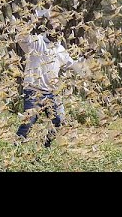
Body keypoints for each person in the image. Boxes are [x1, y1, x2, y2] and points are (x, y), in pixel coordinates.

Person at [12, 8, 85, 147]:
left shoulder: (60, 50)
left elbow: (72, 65)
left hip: (51, 93)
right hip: (34, 92)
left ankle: (46, 147)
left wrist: (85, 57)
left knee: (58, 122)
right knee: (28, 122)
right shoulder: (37, 43)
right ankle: (16, 149)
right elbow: (22, 35)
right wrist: (36, 15)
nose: (56, 32)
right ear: (46, 29)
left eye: (58, 30)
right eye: (52, 29)